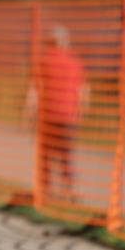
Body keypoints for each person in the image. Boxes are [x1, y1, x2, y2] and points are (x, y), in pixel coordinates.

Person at [24, 26, 89, 202]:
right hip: (68, 116)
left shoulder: (43, 62)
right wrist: (80, 114)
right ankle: (71, 189)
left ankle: (45, 189)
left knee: (45, 155)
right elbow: (83, 92)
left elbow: (34, 91)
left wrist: (29, 116)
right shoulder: (75, 63)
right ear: (66, 42)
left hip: (48, 116)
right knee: (67, 155)